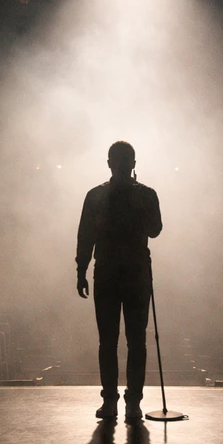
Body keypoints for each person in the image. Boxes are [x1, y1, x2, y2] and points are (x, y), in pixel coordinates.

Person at [76, 141, 162, 423]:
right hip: (121, 273)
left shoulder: (139, 195)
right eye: (120, 161)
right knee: (120, 341)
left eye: (125, 161)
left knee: (124, 341)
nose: (123, 166)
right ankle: (120, 402)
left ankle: (126, 402)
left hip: (122, 273)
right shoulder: (100, 196)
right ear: (113, 163)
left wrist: (82, 270)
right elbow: (85, 235)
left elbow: (155, 229)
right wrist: (81, 269)